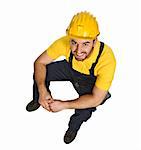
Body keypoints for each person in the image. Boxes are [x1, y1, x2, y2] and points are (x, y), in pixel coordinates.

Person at [26, 11, 116, 144]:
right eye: (74, 42)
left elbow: (95, 99)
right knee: (41, 73)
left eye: (85, 44)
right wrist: (42, 89)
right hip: (70, 69)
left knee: (86, 108)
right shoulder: (64, 42)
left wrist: (63, 105)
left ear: (95, 40)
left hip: (89, 81)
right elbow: (39, 63)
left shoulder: (107, 60)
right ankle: (38, 99)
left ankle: (72, 128)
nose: (78, 51)